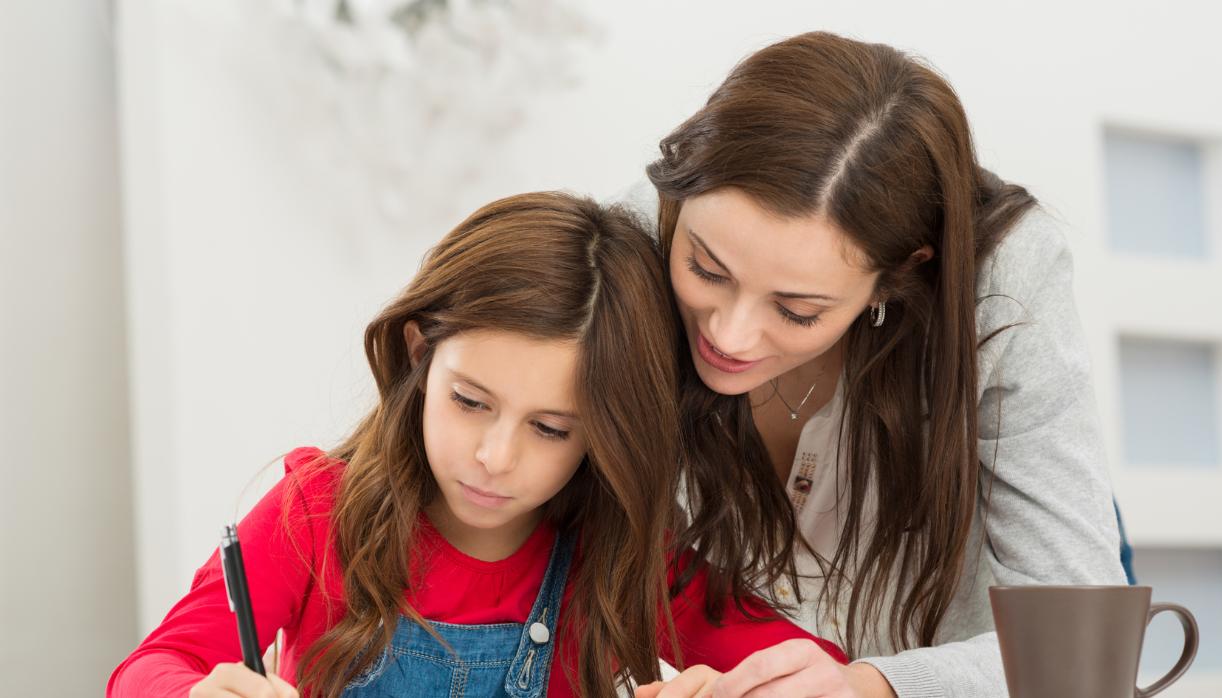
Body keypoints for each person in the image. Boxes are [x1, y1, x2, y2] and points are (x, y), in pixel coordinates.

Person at [107, 192, 847, 698]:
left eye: (551, 429)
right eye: (470, 402)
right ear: (420, 354)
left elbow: (826, 678)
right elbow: (149, 669)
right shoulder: (315, 513)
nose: (496, 456)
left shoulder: (625, 558)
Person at [631, 32, 1127, 697]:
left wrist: (868, 688)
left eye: (798, 309)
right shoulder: (633, 239)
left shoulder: (1001, 279)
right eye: (706, 269)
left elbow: (1083, 649)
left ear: (898, 276)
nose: (730, 334)